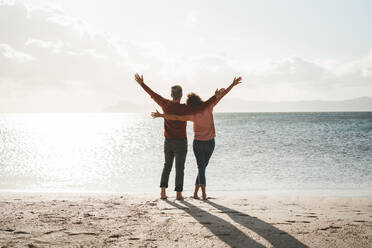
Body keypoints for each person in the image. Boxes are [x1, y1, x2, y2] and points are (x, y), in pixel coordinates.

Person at [152, 76, 242, 200]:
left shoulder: (181, 110)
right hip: (196, 142)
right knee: (190, 167)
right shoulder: (199, 108)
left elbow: (173, 114)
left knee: (173, 166)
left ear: (171, 94)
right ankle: (188, 194)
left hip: (183, 142)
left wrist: (161, 115)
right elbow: (218, 97)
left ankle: (173, 192)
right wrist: (232, 85)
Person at [134, 73, 217, 200]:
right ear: (181, 95)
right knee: (180, 168)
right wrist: (215, 97)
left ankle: (163, 192)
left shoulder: (165, 104)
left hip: (168, 141)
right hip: (181, 142)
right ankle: (178, 194)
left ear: (171, 95)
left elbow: (152, 94)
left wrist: (142, 84)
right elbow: (203, 107)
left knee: (167, 166)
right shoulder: (186, 108)